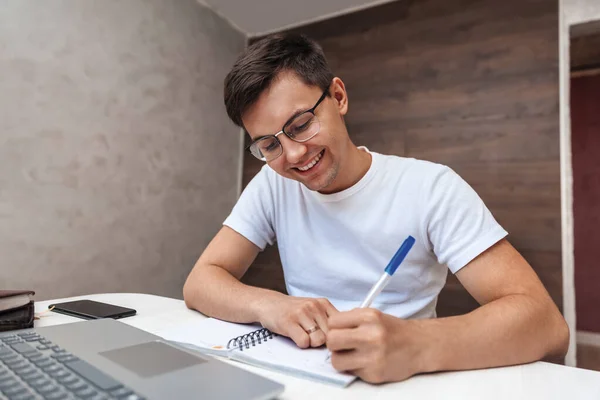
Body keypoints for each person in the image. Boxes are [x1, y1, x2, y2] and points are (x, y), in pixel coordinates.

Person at [183, 33, 569, 383]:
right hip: (309, 378)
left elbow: (547, 326)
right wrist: (272, 306)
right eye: (269, 145)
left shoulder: (429, 187)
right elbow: (201, 281)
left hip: (406, 381)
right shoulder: (272, 185)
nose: (294, 154)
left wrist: (415, 344)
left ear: (338, 97)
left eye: (300, 124)